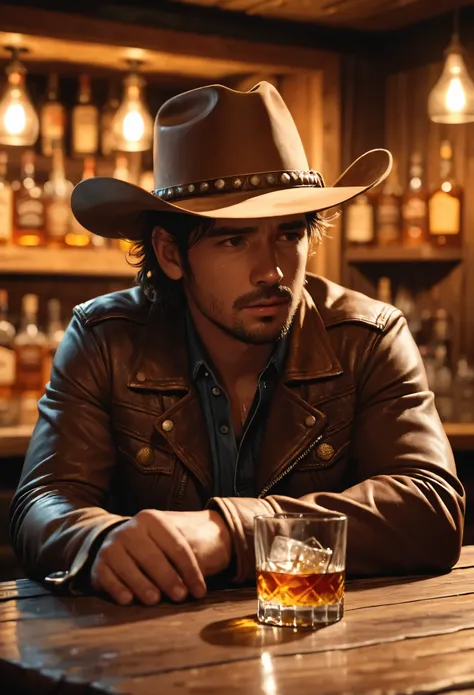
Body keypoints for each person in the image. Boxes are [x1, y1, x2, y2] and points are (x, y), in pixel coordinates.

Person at [10, 82, 465, 607]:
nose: (272, 271)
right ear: (171, 254)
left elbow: (431, 508)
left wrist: (232, 533)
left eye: (289, 235)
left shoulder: (369, 336)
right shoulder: (104, 339)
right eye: (234, 238)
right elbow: (41, 507)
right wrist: (100, 541)